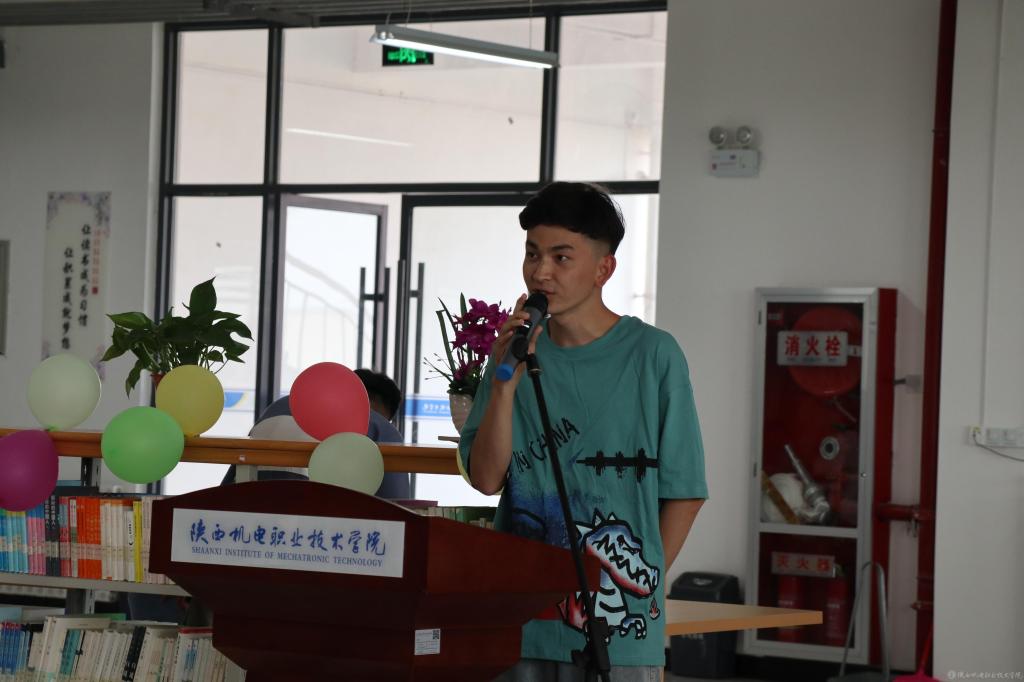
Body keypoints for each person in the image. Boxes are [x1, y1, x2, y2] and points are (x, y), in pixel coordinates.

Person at [458, 182, 707, 681]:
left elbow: (686, 492)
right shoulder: (512, 354)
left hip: (620, 628)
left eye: (561, 257)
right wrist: (503, 385)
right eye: (532, 254)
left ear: (603, 269)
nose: (540, 272)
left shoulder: (653, 355)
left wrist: (642, 582)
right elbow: (485, 480)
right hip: (522, 621)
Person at [221, 369, 411, 499]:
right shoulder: (380, 427)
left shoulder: (278, 406)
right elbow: (396, 503)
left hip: (247, 508)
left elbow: (235, 473)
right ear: (373, 401)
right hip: (315, 522)